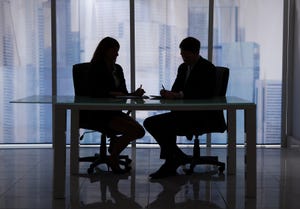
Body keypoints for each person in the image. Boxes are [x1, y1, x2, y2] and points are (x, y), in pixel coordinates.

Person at [143, 37, 226, 179]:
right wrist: (168, 93)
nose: (183, 58)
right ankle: (176, 157)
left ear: (196, 53)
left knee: (159, 124)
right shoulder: (183, 68)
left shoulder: (207, 68)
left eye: (186, 55)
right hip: (184, 114)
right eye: (182, 54)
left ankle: (172, 161)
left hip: (202, 116)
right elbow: (177, 89)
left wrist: (178, 95)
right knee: (150, 123)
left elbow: (204, 94)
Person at [81, 36, 145, 174]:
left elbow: (123, 92)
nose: (117, 54)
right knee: (135, 131)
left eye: (118, 51)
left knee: (140, 131)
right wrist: (111, 93)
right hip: (98, 113)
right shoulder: (95, 68)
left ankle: (114, 149)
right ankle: (114, 157)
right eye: (114, 51)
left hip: (114, 112)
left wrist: (135, 93)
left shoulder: (118, 69)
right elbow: (93, 92)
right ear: (105, 51)